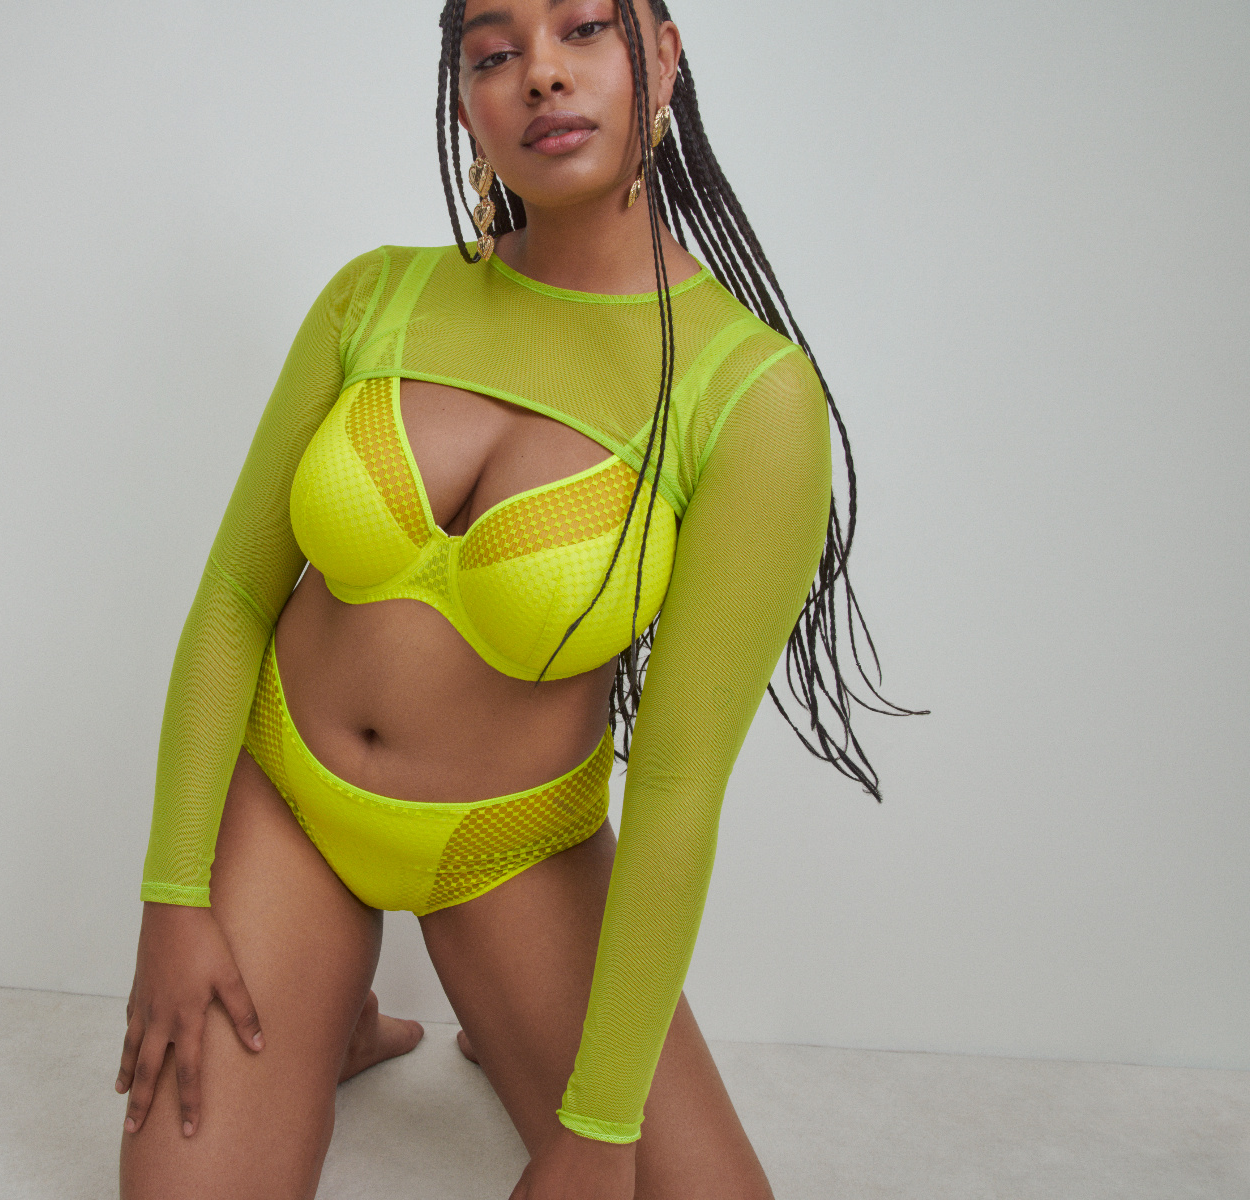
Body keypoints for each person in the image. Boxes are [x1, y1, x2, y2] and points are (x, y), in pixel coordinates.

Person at [117, 0, 919, 1196]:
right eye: (494, 53)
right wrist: (174, 902)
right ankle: (324, 1018)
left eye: (584, 28)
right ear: (463, 103)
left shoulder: (749, 397)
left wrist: (597, 1128)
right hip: (289, 803)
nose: (541, 73)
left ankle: (505, 1030)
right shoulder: (373, 296)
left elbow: (680, 781)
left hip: (510, 856)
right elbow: (236, 594)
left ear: (661, 57)